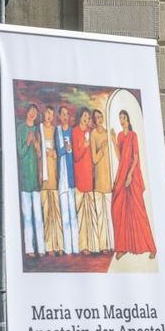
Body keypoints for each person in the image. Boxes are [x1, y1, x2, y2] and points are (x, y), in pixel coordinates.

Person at [111, 110, 157, 259]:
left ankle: (151, 247)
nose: (121, 120)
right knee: (118, 208)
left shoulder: (133, 135)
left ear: (128, 119)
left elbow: (135, 157)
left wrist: (130, 175)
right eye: (120, 118)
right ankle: (122, 247)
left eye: (123, 117)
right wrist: (113, 141)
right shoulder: (119, 136)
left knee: (138, 210)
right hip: (122, 173)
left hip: (132, 176)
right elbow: (120, 157)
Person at [17, 104, 44, 256]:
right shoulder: (21, 129)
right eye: (31, 111)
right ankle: (29, 249)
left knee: (38, 216)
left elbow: (40, 156)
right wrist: (27, 142)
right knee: (27, 217)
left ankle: (41, 248)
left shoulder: (37, 130)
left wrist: (36, 145)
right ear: (27, 112)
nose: (33, 113)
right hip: (25, 179)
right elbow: (20, 154)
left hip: (35, 179)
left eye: (35, 111)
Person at [72, 108, 99, 253]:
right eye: (84, 116)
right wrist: (84, 146)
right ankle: (84, 246)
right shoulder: (76, 131)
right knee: (82, 214)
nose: (86, 118)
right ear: (80, 117)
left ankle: (94, 245)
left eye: (88, 117)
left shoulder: (89, 133)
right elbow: (76, 155)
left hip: (89, 178)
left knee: (92, 213)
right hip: (80, 178)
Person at [39, 106, 64, 255]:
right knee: (47, 213)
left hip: (54, 177)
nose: (49, 116)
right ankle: (49, 247)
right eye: (47, 113)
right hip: (44, 179)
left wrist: (54, 153)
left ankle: (59, 245)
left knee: (56, 213)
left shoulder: (55, 131)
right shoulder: (39, 129)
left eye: (51, 114)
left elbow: (59, 151)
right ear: (44, 114)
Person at [55, 105, 80, 255]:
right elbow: (59, 151)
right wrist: (66, 148)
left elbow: (75, 150)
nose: (65, 116)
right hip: (63, 178)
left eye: (67, 114)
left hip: (73, 177)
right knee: (65, 214)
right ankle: (67, 248)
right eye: (62, 114)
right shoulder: (58, 132)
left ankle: (75, 247)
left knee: (73, 215)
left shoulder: (73, 132)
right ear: (59, 116)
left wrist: (69, 148)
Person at [91, 110, 116, 251]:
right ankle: (102, 246)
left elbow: (117, 156)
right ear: (94, 121)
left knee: (111, 215)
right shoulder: (94, 135)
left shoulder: (109, 133)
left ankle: (113, 245)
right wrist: (103, 149)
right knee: (100, 215)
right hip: (99, 181)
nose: (99, 119)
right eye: (96, 118)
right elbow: (94, 159)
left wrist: (112, 141)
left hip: (109, 181)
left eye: (100, 116)